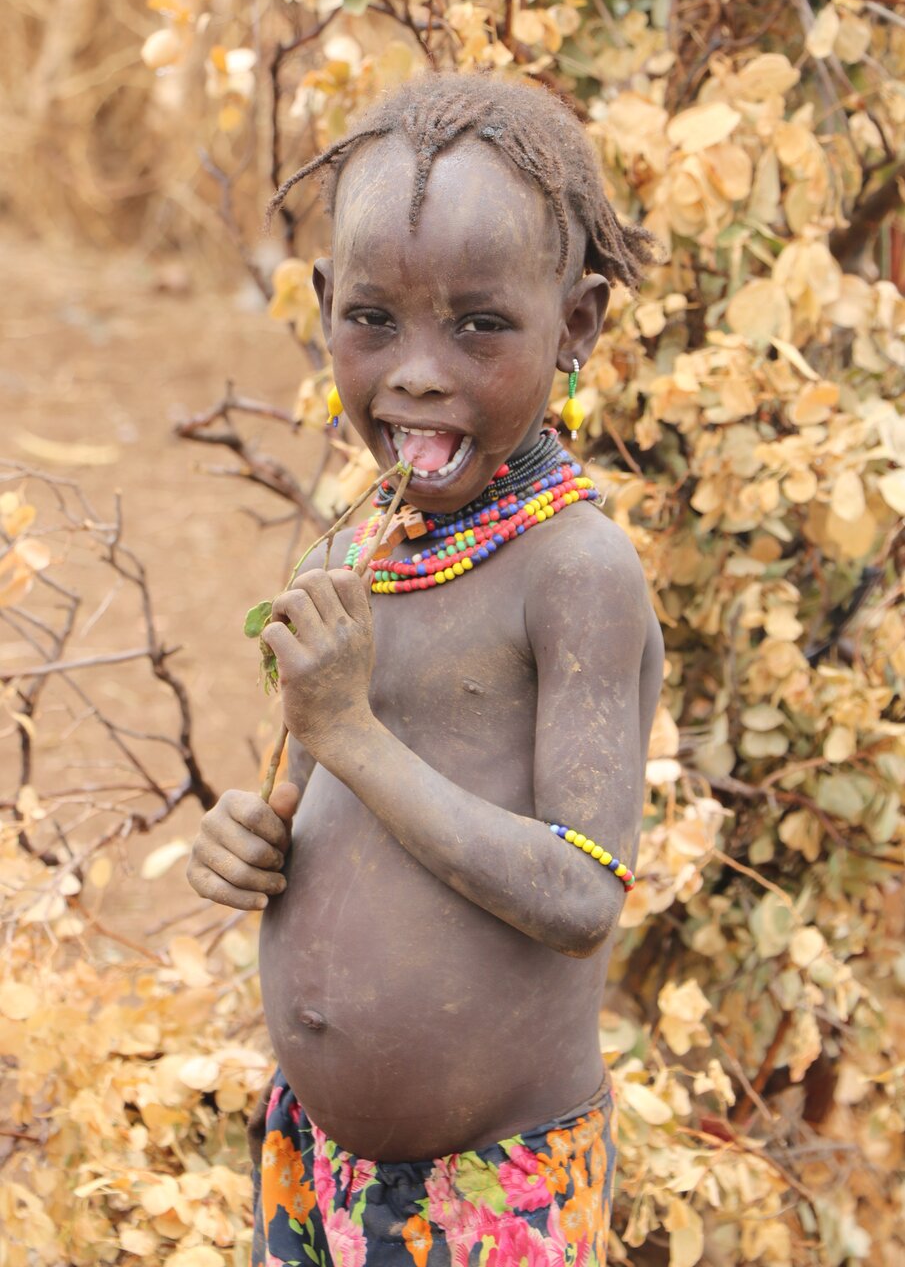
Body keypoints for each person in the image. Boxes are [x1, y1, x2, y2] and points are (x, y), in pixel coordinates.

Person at [188, 72, 664, 1267]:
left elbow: (580, 892)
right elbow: (312, 796)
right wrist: (251, 836)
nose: (413, 371)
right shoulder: (357, 541)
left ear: (579, 324)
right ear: (320, 309)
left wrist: (350, 732)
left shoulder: (576, 572)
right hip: (314, 1161)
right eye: (371, 319)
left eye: (477, 323)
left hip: (493, 1190)